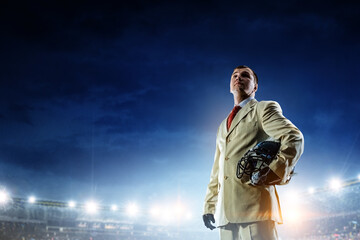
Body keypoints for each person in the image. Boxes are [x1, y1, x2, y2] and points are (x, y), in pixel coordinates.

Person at [203, 65, 304, 240]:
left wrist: (275, 170)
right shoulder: (222, 126)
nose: (238, 78)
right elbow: (217, 170)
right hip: (225, 216)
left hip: (255, 209)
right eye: (234, 75)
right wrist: (210, 206)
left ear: (255, 87)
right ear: (230, 85)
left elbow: (293, 137)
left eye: (245, 75)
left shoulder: (263, 109)